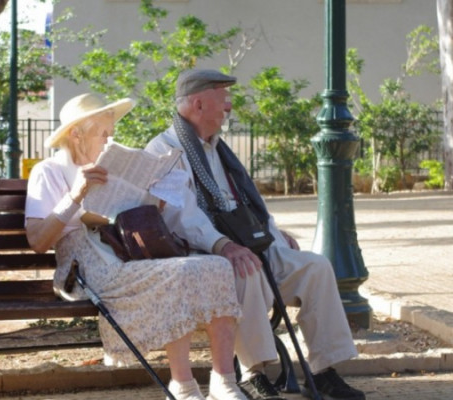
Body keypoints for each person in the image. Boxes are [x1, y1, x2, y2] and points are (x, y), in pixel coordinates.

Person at [145, 69, 366, 400]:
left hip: (248, 246)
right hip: (206, 255)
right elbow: (182, 217)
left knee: (315, 267)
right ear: (198, 104)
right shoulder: (163, 150)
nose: (230, 107)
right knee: (245, 270)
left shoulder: (218, 149)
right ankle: (254, 372)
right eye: (224, 100)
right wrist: (224, 245)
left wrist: (274, 233)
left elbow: (247, 204)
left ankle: (323, 372)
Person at [24, 93, 252, 400]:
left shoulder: (109, 165)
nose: (108, 140)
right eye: (102, 133)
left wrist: (153, 198)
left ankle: (225, 382)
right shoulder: (48, 171)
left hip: (127, 253)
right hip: (86, 267)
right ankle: (183, 384)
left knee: (216, 265)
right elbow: (38, 240)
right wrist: (75, 196)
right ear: (76, 134)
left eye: (110, 133)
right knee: (180, 273)